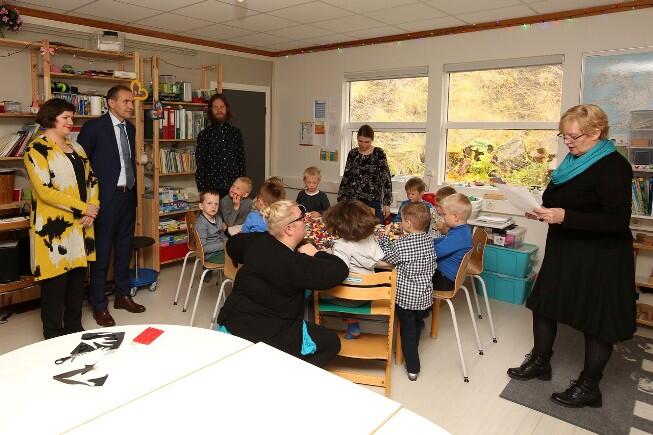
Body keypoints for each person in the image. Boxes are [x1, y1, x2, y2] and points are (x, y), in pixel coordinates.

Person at [507, 104, 636, 408]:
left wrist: (566, 216)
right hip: (565, 249)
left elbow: (617, 222)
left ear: (596, 133)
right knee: (544, 305)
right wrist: (542, 212)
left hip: (600, 256)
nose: (567, 142)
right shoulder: (571, 162)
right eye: (563, 136)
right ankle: (540, 361)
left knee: (596, 321)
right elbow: (558, 199)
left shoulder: (614, 166)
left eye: (573, 136)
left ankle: (590, 387)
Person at [216, 200, 349, 368]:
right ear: (289, 229)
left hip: (233, 323)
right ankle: (284, 373)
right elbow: (340, 270)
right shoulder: (296, 263)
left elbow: (233, 244)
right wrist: (315, 253)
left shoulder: (256, 241)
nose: (306, 219)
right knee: (332, 343)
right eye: (301, 217)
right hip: (268, 336)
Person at [23, 98, 99, 339]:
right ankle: (53, 333)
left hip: (81, 225)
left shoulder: (77, 147)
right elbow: (45, 191)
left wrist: (93, 206)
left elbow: (92, 179)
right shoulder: (36, 149)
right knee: (55, 282)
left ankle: (74, 327)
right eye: (65, 117)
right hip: (53, 228)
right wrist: (84, 208)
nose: (70, 121)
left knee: (77, 280)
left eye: (71, 117)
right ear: (50, 118)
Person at [78, 85, 145, 327]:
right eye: (126, 101)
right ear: (111, 103)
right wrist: (87, 201)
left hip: (127, 196)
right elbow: (81, 165)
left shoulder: (130, 128)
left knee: (124, 250)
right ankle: (99, 304)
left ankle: (122, 296)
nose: (130, 106)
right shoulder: (93, 128)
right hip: (104, 200)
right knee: (102, 253)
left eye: (131, 102)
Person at [377, 202, 436, 381]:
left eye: (402, 220)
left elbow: (387, 256)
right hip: (424, 297)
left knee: (407, 332)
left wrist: (384, 237)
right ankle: (417, 334)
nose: (401, 222)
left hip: (406, 299)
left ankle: (413, 368)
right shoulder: (429, 240)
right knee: (417, 324)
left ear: (408, 223)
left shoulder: (402, 245)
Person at [323, 199, 385, 339]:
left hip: (351, 297)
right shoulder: (370, 237)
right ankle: (352, 325)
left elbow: (338, 273)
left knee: (313, 292)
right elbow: (375, 258)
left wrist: (327, 256)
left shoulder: (341, 245)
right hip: (371, 292)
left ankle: (322, 324)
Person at [337, 125, 392, 223]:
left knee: (375, 227)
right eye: (360, 141)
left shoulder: (378, 153)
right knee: (352, 227)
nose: (363, 145)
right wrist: (341, 200)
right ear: (357, 139)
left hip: (372, 200)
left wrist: (386, 203)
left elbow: (386, 178)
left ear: (372, 140)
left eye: (367, 142)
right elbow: (346, 177)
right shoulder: (352, 154)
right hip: (353, 200)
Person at [195, 93, 246, 199]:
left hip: (233, 187)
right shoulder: (204, 134)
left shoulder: (236, 133)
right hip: (211, 188)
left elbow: (240, 160)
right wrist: (202, 189)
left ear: (226, 109)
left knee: (234, 210)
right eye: (215, 107)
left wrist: (243, 185)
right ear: (211, 110)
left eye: (221, 106)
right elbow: (200, 163)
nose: (219, 110)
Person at [431, 194, 473, 291]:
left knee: (408, 274)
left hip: (444, 279)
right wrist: (430, 241)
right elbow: (445, 240)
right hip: (446, 275)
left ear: (455, 217)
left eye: (444, 214)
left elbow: (434, 253)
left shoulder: (458, 236)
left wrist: (420, 246)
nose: (443, 217)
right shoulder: (463, 230)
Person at [195, 190, 227, 264]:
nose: (213, 206)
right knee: (236, 258)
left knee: (241, 250)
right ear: (201, 206)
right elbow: (203, 248)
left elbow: (222, 235)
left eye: (216, 204)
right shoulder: (201, 224)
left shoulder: (218, 218)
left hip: (221, 249)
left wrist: (229, 242)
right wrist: (224, 245)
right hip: (211, 255)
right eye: (209, 203)